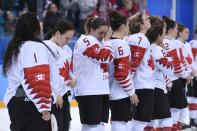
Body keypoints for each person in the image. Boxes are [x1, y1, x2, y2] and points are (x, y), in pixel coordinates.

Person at [3, 12, 52, 131]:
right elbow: (36, 77)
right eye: (38, 22)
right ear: (33, 27)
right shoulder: (35, 47)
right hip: (32, 105)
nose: (41, 24)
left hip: (15, 103)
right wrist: (44, 106)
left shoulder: (14, 47)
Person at [73, 17, 114, 131]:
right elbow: (106, 57)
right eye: (100, 33)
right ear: (91, 29)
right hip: (89, 90)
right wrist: (107, 40)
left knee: (99, 125)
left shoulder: (96, 42)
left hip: (99, 89)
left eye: (105, 33)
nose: (102, 36)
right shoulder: (86, 41)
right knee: (92, 126)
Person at [108, 10, 138, 131]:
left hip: (111, 90)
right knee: (121, 122)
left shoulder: (108, 42)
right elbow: (121, 74)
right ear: (122, 27)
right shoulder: (121, 44)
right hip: (120, 92)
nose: (129, 28)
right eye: (127, 25)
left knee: (121, 121)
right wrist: (131, 92)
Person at [44, 19, 76, 131]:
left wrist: (73, 78)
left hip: (64, 95)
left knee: (65, 127)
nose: (68, 41)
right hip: (53, 96)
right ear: (57, 33)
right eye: (67, 38)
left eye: (70, 38)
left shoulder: (67, 49)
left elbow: (67, 70)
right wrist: (55, 93)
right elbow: (46, 74)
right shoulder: (45, 47)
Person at [145, 18, 175, 130]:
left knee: (151, 121)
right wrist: (165, 52)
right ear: (158, 36)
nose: (164, 37)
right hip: (157, 88)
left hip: (148, 87)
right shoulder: (158, 50)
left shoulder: (147, 47)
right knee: (167, 120)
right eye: (163, 34)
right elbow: (170, 69)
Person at [162, 16, 189, 130]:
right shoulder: (172, 44)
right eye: (176, 28)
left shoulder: (162, 42)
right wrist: (185, 75)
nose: (177, 31)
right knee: (176, 109)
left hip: (165, 81)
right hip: (174, 80)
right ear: (170, 30)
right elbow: (177, 65)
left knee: (171, 109)